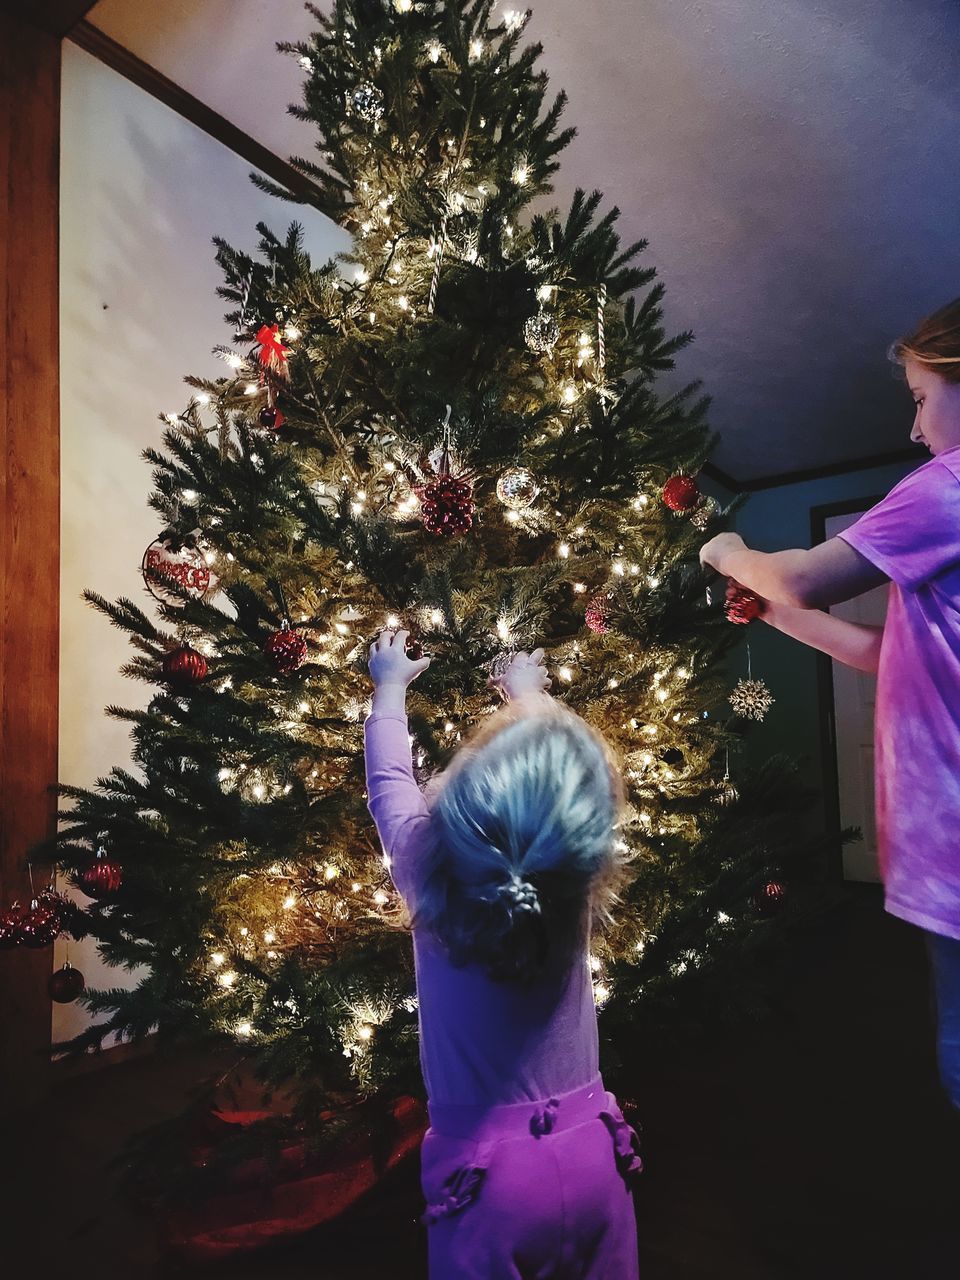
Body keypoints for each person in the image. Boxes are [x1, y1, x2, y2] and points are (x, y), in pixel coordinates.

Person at [699, 297, 960, 1113]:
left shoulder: (949, 485)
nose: (916, 430)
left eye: (920, 398)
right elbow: (888, 656)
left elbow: (806, 572)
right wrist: (775, 612)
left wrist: (729, 548)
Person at [364, 633, 641, 1279]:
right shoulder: (572, 881)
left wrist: (390, 687)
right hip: (596, 1151)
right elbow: (566, 775)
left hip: (490, 1182)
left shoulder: (423, 867)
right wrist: (526, 692)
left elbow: (389, 783)